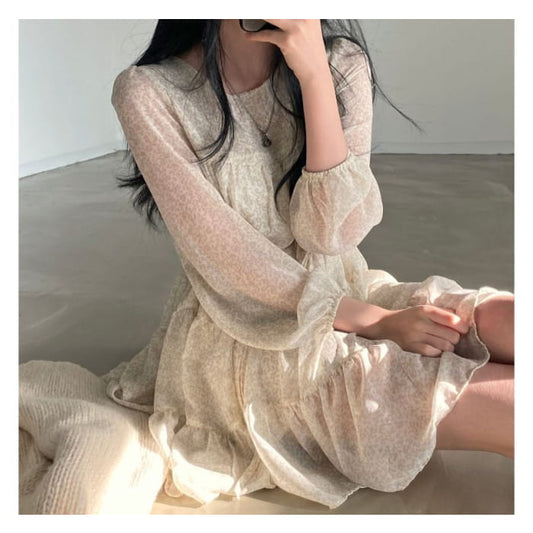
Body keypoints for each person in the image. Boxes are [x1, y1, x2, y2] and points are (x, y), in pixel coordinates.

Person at [19, 19, 514, 514]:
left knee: (506, 320)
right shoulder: (148, 92)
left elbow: (331, 235)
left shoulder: (342, 64)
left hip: (348, 289)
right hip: (251, 338)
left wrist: (314, 75)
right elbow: (227, 259)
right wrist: (376, 323)